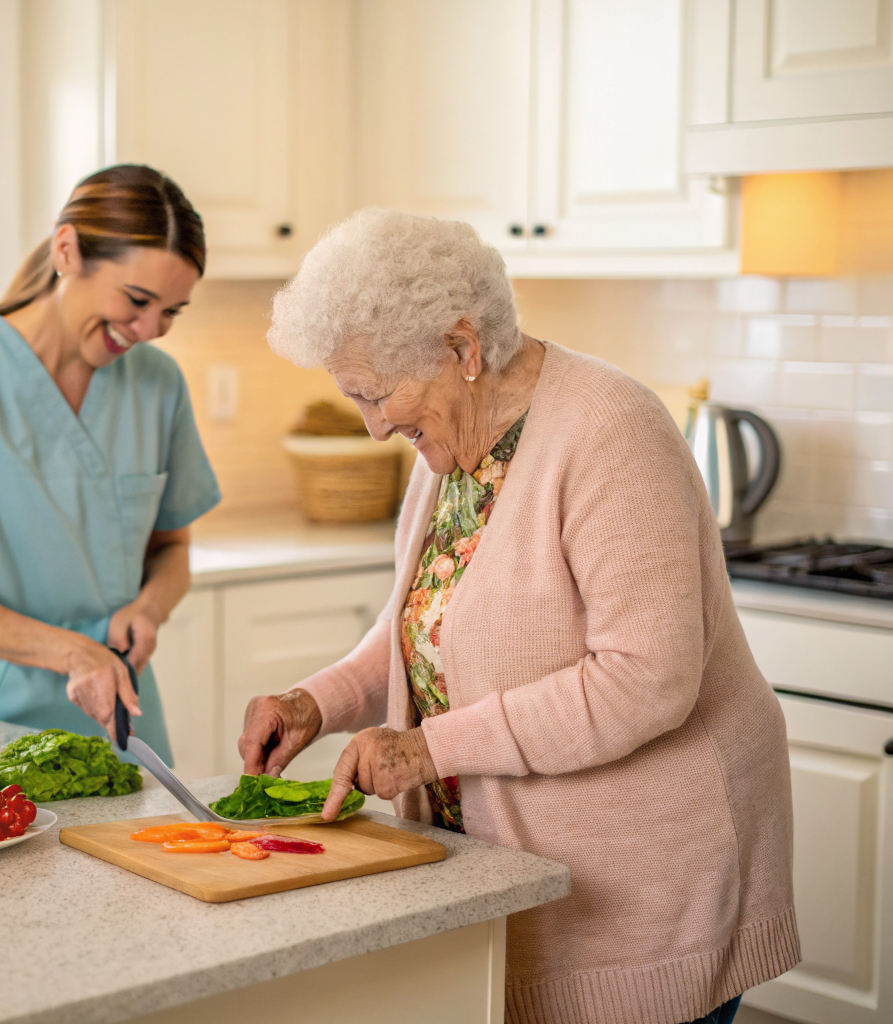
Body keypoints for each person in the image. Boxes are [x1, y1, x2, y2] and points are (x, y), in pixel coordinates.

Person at [238, 207, 797, 1024]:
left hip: (643, 879)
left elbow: (644, 682)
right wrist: (312, 704)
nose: (374, 425)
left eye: (378, 393)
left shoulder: (611, 433)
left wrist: (428, 748)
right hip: (509, 870)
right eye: (353, 397)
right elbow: (432, 629)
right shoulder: (453, 447)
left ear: (462, 349)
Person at [0, 165, 220, 762]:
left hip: (121, 720)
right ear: (68, 251)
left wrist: (149, 607)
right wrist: (74, 653)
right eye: (137, 300)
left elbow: (173, 550)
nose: (148, 330)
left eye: (171, 311)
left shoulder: (157, 384)